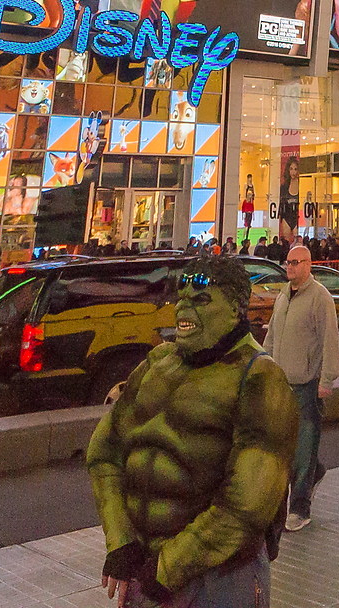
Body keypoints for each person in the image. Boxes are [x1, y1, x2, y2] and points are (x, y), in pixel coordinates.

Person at [91, 256, 295, 607]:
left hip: (220, 578)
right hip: (145, 568)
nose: (184, 308)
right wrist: (121, 541)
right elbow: (104, 452)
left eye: (201, 299)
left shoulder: (260, 377)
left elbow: (248, 505)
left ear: (235, 309)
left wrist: (168, 567)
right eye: (181, 297)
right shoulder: (157, 363)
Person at [268, 241, 339, 530]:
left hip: (307, 385)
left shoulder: (320, 298)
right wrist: (268, 369)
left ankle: (299, 508)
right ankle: (316, 471)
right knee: (288, 447)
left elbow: (329, 340)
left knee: (304, 447)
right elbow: (272, 336)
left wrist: (326, 380)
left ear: (308, 265)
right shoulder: (283, 297)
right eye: (288, 262)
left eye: (296, 262)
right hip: (283, 383)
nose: (290, 267)